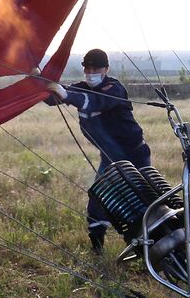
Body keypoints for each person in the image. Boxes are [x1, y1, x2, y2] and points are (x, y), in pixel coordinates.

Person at [45, 48, 152, 254]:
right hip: (110, 158)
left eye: (96, 68)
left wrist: (65, 94)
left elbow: (94, 101)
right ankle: (97, 247)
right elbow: (54, 98)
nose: (91, 71)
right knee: (98, 198)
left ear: (106, 69)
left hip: (134, 156)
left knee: (143, 200)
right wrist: (41, 84)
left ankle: (151, 245)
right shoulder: (82, 88)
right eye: (87, 68)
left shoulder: (115, 88)